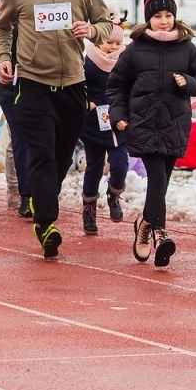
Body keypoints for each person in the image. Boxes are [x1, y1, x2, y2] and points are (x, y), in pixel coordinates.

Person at [0, 0, 113, 258]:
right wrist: (3, 57)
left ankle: (42, 198)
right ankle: (46, 223)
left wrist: (92, 30)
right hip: (32, 83)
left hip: (73, 83)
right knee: (41, 152)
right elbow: (0, 28)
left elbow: (106, 23)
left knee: (60, 157)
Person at [109, 0, 196, 265]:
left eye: (168, 14)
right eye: (158, 15)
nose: (164, 20)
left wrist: (188, 83)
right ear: (149, 18)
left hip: (174, 124)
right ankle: (160, 234)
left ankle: (143, 225)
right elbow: (116, 85)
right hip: (142, 125)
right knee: (156, 179)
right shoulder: (135, 50)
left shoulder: (187, 48)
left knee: (162, 183)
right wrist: (119, 116)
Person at [79, 21, 129, 235]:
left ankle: (114, 194)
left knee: (120, 165)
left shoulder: (126, 62)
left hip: (118, 124)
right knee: (94, 168)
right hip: (93, 123)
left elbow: (132, 89)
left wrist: (126, 113)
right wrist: (87, 101)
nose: (113, 47)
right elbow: (79, 85)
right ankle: (89, 209)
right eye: (109, 43)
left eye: (117, 43)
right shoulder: (88, 62)